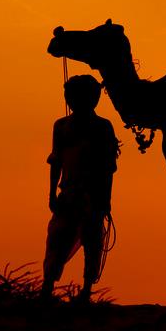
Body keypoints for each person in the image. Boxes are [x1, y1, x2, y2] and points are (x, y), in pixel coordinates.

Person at [41, 74, 120, 303]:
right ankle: (47, 286)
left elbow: (108, 167)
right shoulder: (62, 126)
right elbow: (56, 161)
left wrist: (106, 199)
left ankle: (86, 289)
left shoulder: (103, 127)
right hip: (68, 192)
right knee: (56, 238)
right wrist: (52, 193)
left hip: (93, 194)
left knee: (92, 241)